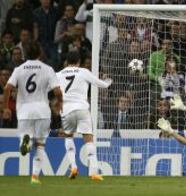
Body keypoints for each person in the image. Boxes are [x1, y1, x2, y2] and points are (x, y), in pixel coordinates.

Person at [2, 41, 63, 184]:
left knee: (25, 136)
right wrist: (60, 102)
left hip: (24, 110)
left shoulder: (19, 69)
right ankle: (35, 176)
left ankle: (26, 139)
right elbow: (57, 91)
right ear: (40, 53)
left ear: (24, 54)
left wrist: (5, 108)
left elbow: (7, 88)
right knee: (40, 144)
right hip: (42, 110)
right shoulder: (47, 69)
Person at [56, 51, 112, 181]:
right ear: (79, 61)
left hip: (66, 109)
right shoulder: (83, 72)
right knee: (89, 140)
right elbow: (102, 84)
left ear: (66, 62)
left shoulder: (58, 74)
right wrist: (108, 81)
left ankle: (73, 166)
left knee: (69, 137)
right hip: (82, 108)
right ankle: (93, 172)